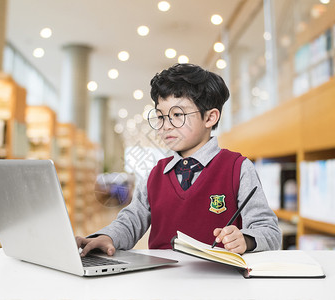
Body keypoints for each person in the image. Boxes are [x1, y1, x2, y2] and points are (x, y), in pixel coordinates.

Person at [76, 63, 281, 256]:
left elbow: (269, 231)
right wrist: (107, 236)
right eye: (161, 116)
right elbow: (131, 220)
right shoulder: (155, 174)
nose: (166, 125)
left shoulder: (238, 168)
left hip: (219, 282)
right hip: (162, 282)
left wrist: (246, 239)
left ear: (210, 117)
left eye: (177, 115)